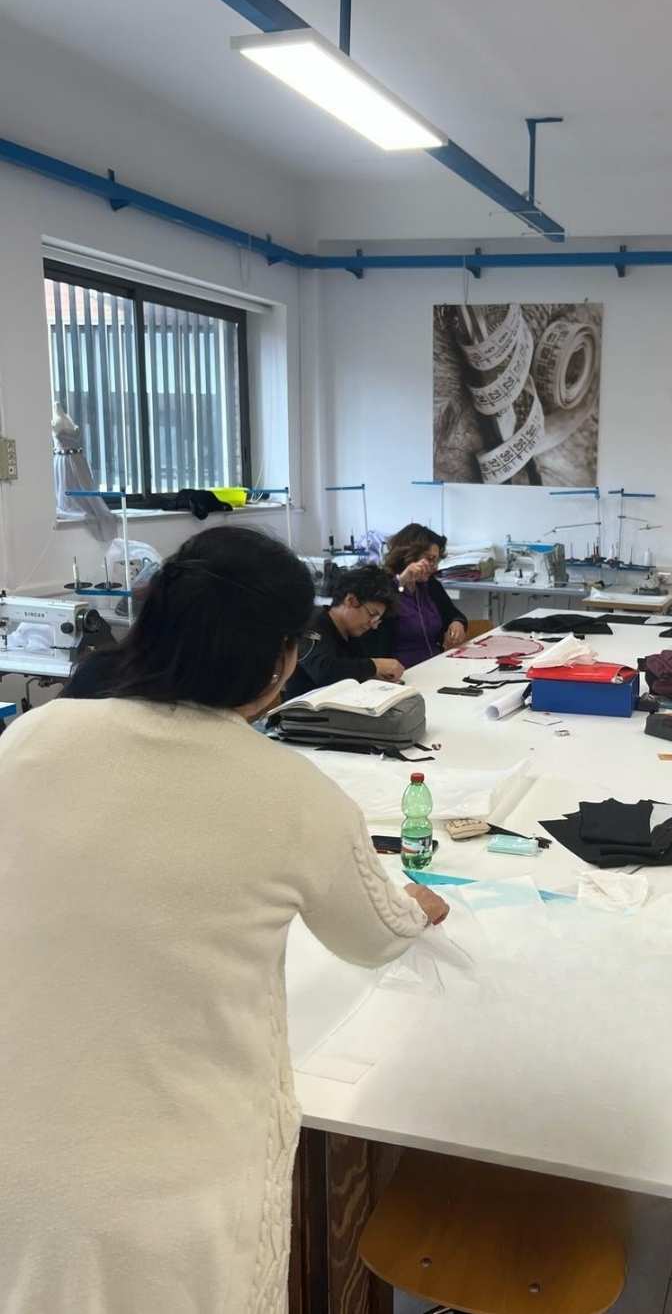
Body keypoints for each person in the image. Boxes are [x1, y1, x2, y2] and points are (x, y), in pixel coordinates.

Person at [0, 526, 448, 1313]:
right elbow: (374, 938)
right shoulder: (291, 792)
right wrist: (414, 905)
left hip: (22, 1142)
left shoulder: (34, 735)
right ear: (281, 658)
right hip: (179, 1178)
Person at [281, 563, 404, 701]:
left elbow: (353, 669)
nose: (373, 625)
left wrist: (373, 675)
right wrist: (374, 665)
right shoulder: (312, 624)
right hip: (305, 710)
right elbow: (324, 672)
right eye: (371, 614)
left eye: (377, 619)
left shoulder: (351, 633)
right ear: (350, 600)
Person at [379, 523, 467, 669]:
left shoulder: (430, 585)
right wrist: (402, 581)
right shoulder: (382, 585)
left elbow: (453, 614)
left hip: (435, 664)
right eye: (430, 559)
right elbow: (380, 611)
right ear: (409, 555)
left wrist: (457, 623)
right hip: (399, 671)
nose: (435, 567)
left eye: (436, 561)